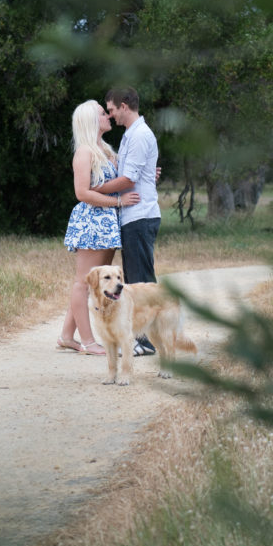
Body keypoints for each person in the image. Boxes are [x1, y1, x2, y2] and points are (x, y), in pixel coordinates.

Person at [59, 100, 140, 355]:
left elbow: (120, 180)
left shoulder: (105, 149)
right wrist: (117, 201)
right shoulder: (84, 152)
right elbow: (82, 193)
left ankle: (66, 336)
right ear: (91, 121)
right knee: (84, 283)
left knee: (94, 282)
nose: (108, 116)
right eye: (103, 113)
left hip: (107, 224)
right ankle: (87, 341)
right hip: (92, 222)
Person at [94, 86, 161, 356]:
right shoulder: (131, 136)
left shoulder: (139, 135)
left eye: (111, 109)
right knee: (135, 279)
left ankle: (146, 341)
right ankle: (143, 339)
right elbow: (135, 173)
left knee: (141, 281)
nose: (110, 115)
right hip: (133, 216)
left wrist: (94, 191)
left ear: (123, 105)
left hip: (140, 216)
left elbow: (128, 180)